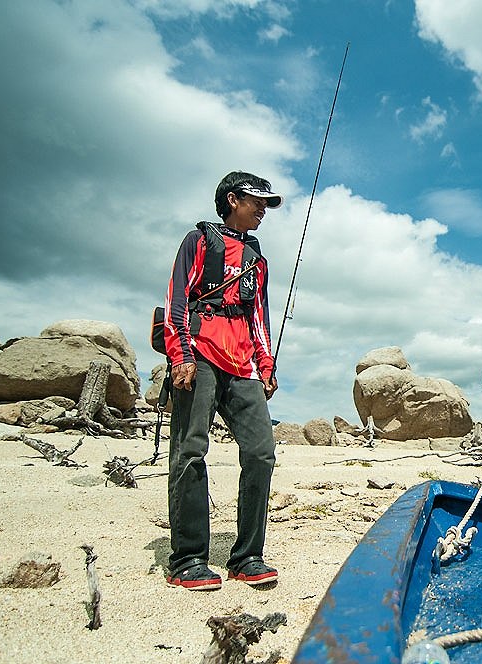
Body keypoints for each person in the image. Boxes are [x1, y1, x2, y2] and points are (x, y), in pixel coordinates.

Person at [162, 171, 283, 591]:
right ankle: (188, 559)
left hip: (243, 362)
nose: (263, 210)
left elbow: (259, 315)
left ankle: (247, 556)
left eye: (267, 204)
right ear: (233, 200)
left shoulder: (258, 258)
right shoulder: (198, 241)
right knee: (191, 450)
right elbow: (176, 299)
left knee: (261, 452)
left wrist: (266, 364)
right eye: (258, 202)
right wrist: (181, 355)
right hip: (199, 356)